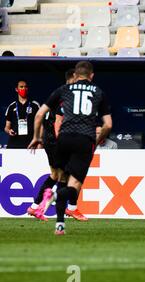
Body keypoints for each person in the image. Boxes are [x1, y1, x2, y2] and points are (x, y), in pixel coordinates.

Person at [28, 61, 113, 235]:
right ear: (91, 76)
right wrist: (96, 141)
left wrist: (36, 137)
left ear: (75, 75)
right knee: (73, 186)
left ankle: (60, 225)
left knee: (61, 179)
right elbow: (108, 125)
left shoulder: (64, 90)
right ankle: (54, 197)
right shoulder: (99, 92)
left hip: (64, 138)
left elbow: (38, 115)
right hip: (84, 139)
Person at [26, 69, 76, 221]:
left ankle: (35, 208)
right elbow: (56, 124)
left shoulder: (57, 94)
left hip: (49, 140)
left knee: (55, 175)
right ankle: (63, 213)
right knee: (63, 177)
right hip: (55, 141)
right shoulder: (66, 96)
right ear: (72, 79)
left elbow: (43, 117)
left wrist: (40, 138)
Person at [4, 80, 40, 149]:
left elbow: (41, 125)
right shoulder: (11, 106)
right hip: (14, 143)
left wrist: (39, 141)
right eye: (21, 87)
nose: (24, 89)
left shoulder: (35, 105)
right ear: (16, 89)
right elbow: (6, 127)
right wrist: (9, 131)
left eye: (25, 87)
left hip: (31, 143)